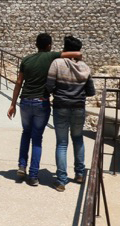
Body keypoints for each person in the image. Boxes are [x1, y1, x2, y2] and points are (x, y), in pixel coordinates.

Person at [7, 33, 82, 186]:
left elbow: (19, 82)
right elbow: (77, 53)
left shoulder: (26, 60)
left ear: (36, 45)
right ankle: (33, 176)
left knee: (25, 133)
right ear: (49, 45)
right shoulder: (51, 56)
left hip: (25, 101)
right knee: (37, 139)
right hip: (41, 102)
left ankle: (22, 166)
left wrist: (13, 104)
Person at [46, 35, 95, 192]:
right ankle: (80, 174)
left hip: (60, 106)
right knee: (78, 139)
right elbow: (91, 91)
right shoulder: (85, 67)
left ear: (65, 48)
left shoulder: (57, 63)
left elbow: (49, 86)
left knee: (62, 143)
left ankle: (61, 180)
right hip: (79, 107)